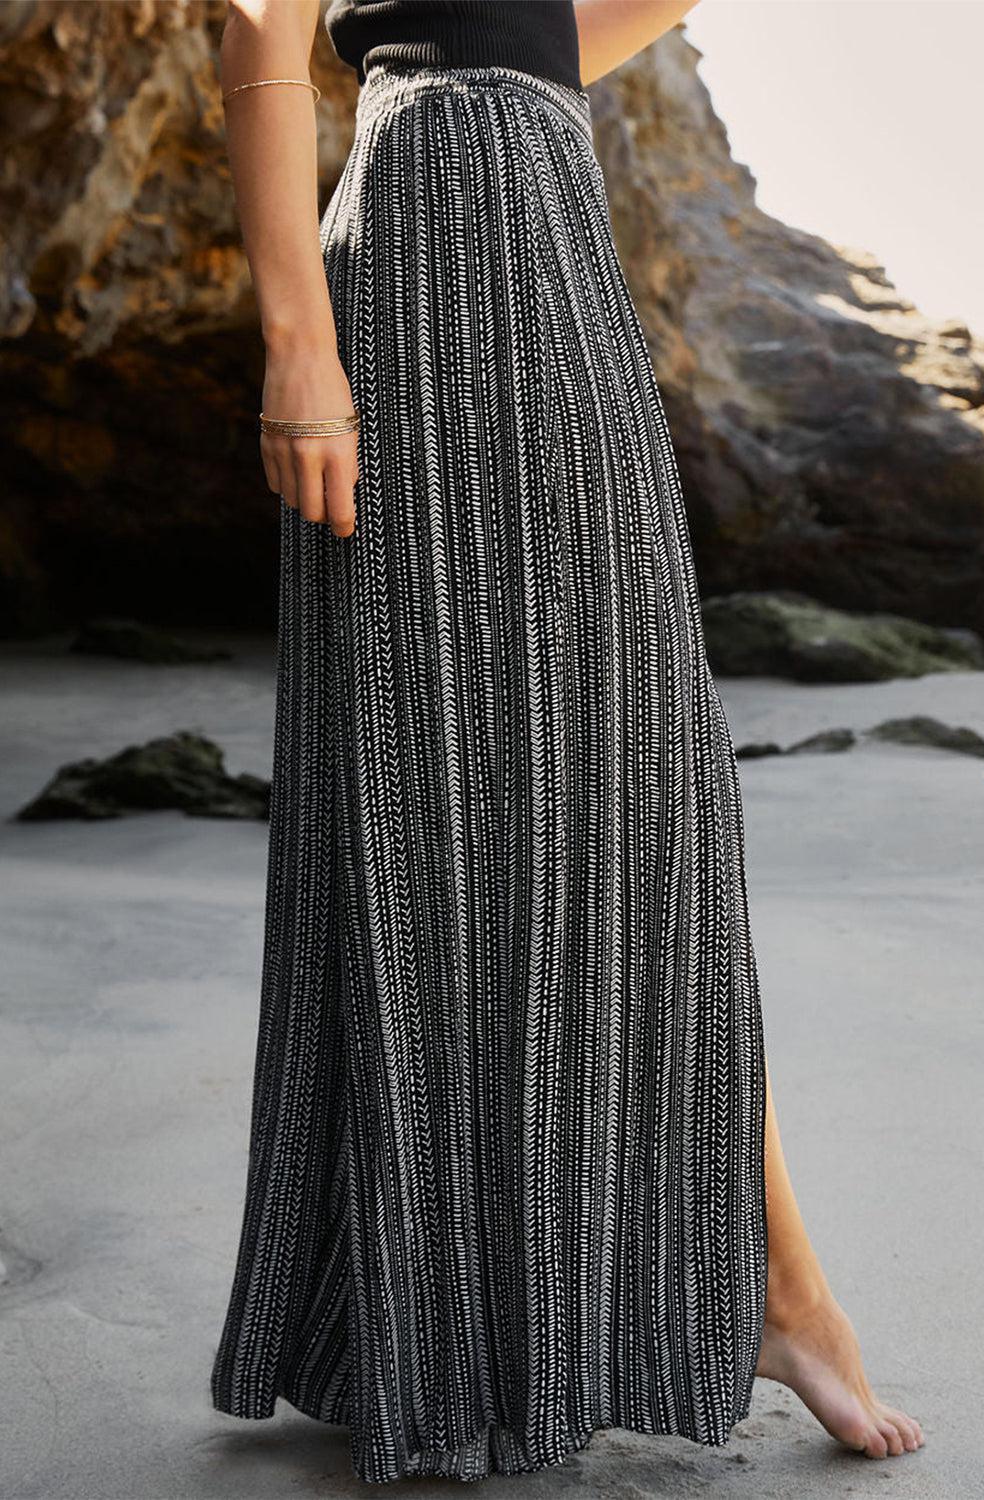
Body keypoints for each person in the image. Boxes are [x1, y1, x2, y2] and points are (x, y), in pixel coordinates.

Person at [209, 0, 924, 1484]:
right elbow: (254, 20)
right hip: (445, 223)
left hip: (536, 198)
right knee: (476, 788)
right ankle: (719, 1296)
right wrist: (294, 340)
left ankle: (739, 1290)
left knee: (622, 784)